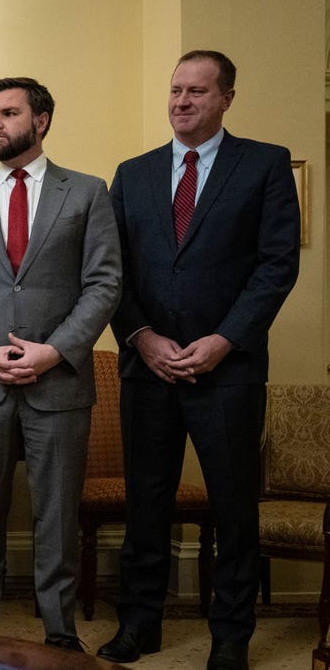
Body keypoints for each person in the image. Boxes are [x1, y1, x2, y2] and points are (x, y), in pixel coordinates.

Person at [97, 50, 300, 670]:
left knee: (233, 506)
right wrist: (141, 337)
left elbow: (276, 267)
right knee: (146, 505)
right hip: (149, 370)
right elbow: (112, 274)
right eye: (176, 89)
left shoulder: (264, 165)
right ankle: (140, 624)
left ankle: (231, 636)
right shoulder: (133, 174)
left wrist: (223, 341)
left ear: (226, 98)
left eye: (197, 91)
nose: (182, 101)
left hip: (228, 371)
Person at [0, 77, 122, 652]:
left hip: (58, 382)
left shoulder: (87, 193)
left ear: (41, 121)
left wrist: (54, 350)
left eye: (7, 113)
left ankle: (60, 636)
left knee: (56, 520)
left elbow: (104, 282)